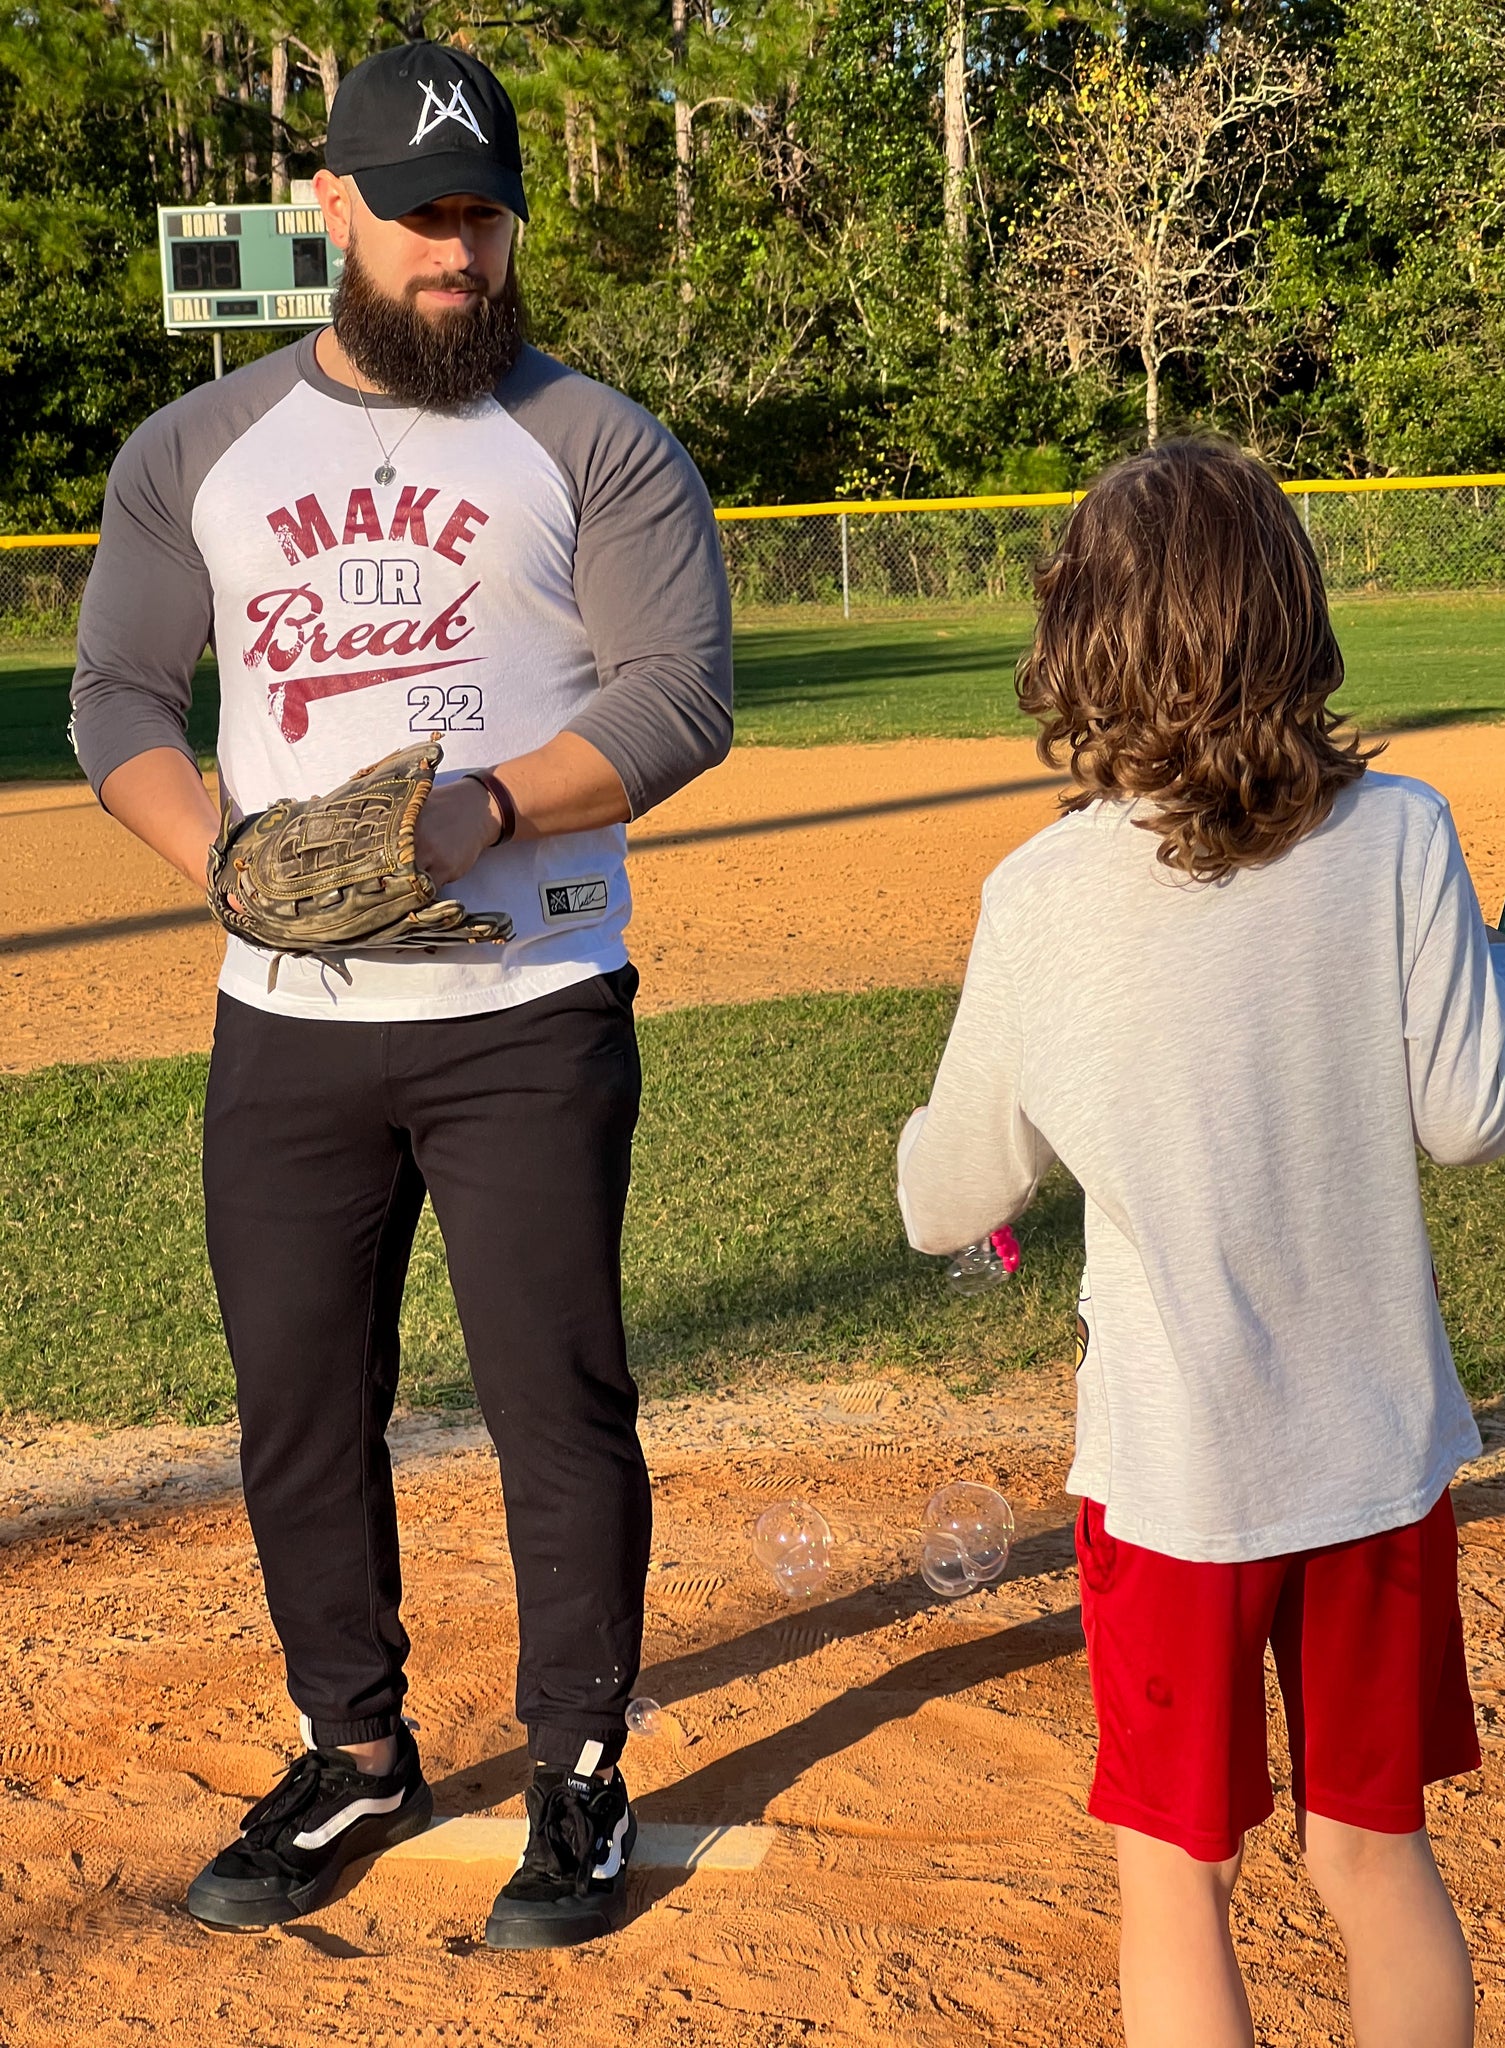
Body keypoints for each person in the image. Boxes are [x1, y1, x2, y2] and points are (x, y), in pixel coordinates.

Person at [69, 42, 732, 1949]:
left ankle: (581, 1776)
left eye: (485, 214)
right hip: (284, 1015)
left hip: (528, 1000)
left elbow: (678, 694)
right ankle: (353, 1750)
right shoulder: (196, 450)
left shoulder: (596, 439)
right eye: (421, 213)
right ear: (332, 212)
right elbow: (117, 696)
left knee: (553, 1399)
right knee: (295, 1403)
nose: (459, 251)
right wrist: (219, 854)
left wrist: (483, 811)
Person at [896, 438, 1505, 2047]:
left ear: (1076, 643)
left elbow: (945, 1195)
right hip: (1376, 1463)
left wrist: (976, 1141)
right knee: (1371, 1853)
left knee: (1173, 1876)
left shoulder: (1039, 893)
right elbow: (1473, 1114)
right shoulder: (1395, 836)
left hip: (1177, 1480)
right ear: (1296, 623)